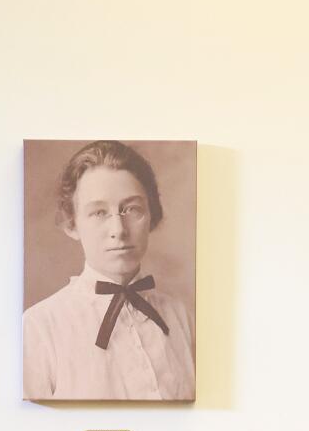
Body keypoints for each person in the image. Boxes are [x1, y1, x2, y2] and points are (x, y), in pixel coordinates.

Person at [23, 140, 195, 401]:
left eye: (131, 209)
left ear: (152, 216)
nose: (119, 230)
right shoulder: (39, 327)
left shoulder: (180, 317)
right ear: (72, 224)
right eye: (99, 213)